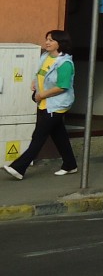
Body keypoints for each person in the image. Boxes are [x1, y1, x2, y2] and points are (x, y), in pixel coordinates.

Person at [4, 30, 79, 180]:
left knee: (39, 136)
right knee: (59, 135)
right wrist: (34, 83)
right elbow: (40, 73)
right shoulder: (46, 56)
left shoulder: (65, 63)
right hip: (45, 103)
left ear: (60, 43)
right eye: (47, 39)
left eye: (51, 40)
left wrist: (41, 94)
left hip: (56, 105)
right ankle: (70, 165)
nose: (47, 42)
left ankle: (19, 167)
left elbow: (62, 86)